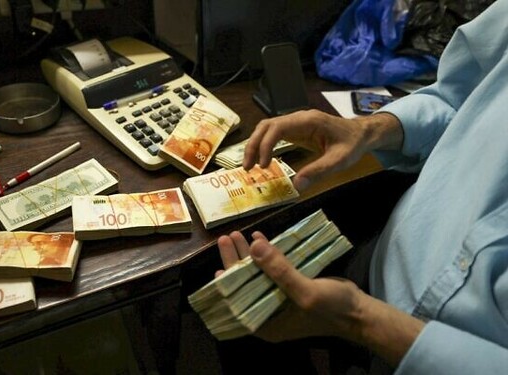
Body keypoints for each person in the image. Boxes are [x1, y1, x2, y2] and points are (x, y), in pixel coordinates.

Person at [215, 0, 508, 373]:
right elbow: (458, 97)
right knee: (240, 307)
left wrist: (359, 320)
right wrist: (367, 130)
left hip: (422, 356)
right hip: (386, 261)